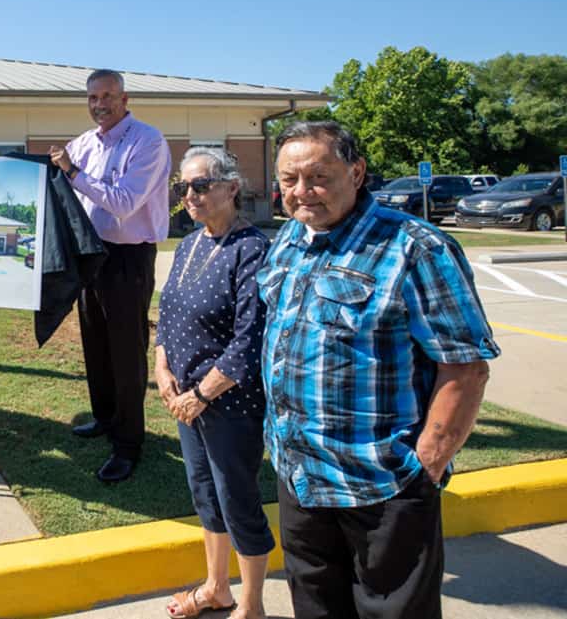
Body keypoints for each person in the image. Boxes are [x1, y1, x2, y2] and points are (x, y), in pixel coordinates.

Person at [261, 121, 498, 619]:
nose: (301, 192)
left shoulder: (416, 247)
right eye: (288, 180)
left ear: (357, 170)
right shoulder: (287, 239)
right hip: (300, 478)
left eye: (317, 177)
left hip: (383, 484)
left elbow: (465, 366)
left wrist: (425, 464)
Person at [154, 148, 271, 619]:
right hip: (185, 400)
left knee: (237, 498)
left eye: (200, 186)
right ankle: (216, 587)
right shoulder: (188, 244)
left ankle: (251, 605)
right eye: (183, 188)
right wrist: (162, 371)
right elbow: (166, 315)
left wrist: (201, 394)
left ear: (231, 188)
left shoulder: (252, 250)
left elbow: (249, 340)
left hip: (228, 402)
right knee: (205, 493)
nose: (190, 196)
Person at [50, 69, 171, 483]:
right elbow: (62, 190)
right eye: (92, 98)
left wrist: (73, 173)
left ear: (124, 98)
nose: (99, 104)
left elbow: (124, 203)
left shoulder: (147, 141)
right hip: (90, 254)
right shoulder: (82, 144)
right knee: (96, 345)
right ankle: (104, 418)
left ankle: (128, 443)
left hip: (128, 257)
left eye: (106, 96)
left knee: (125, 350)